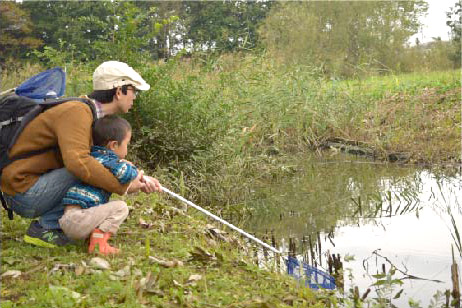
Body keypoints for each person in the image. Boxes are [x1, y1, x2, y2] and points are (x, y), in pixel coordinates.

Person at [1, 61, 161, 248]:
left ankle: (57, 224)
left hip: (32, 187)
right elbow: (79, 163)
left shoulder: (89, 114)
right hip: (24, 193)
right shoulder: (77, 112)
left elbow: (102, 158)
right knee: (90, 170)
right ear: (119, 91)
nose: (135, 97)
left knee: (96, 168)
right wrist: (123, 185)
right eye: (134, 91)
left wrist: (137, 176)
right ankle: (45, 228)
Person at [59, 115, 138, 255]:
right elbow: (125, 174)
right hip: (77, 219)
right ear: (113, 145)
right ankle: (98, 245)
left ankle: (92, 238)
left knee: (105, 206)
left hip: (72, 219)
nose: (127, 150)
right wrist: (136, 171)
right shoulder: (106, 159)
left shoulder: (93, 156)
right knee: (120, 207)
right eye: (127, 144)